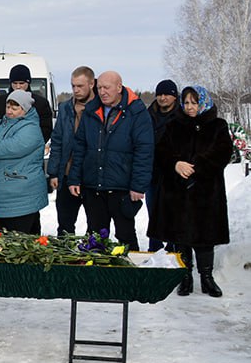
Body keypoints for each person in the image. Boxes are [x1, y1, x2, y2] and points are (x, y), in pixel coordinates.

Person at [148, 85, 231, 297]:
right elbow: (161, 151)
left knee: (205, 238)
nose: (189, 107)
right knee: (180, 236)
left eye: (194, 102)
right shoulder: (174, 125)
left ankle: (207, 278)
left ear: (203, 103)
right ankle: (185, 277)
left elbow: (223, 152)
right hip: (178, 191)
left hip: (206, 192)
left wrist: (198, 167)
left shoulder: (218, 126)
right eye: (186, 103)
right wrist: (176, 164)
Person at [67, 71, 154, 251]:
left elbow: (144, 151)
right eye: (99, 88)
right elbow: (80, 146)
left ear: (119, 87)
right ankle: (97, 268)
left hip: (121, 187)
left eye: (106, 87)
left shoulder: (136, 112)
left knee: (126, 236)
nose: (102, 92)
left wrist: (138, 186)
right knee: (95, 238)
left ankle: (131, 268)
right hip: (94, 186)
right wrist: (74, 178)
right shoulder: (91, 111)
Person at [0, 90, 47, 234]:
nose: (9, 111)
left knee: (20, 242)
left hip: (20, 200)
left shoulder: (31, 128)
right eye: (8, 107)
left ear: (25, 109)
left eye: (15, 108)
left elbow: (12, 147)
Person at [47, 66, 96, 235]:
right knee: (65, 226)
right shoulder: (65, 108)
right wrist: (53, 172)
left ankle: (92, 251)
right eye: (73, 85)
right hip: (67, 174)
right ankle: (64, 251)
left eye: (80, 86)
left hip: (91, 177)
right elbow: (57, 140)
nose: (76, 90)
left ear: (91, 84)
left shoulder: (100, 108)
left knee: (95, 227)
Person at [146, 79, 180, 252]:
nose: (162, 98)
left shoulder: (181, 116)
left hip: (173, 173)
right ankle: (155, 247)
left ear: (174, 96)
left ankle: (173, 248)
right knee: (153, 211)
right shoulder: (148, 114)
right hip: (152, 171)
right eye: (159, 94)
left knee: (172, 212)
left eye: (167, 94)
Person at [0, 63, 54, 143]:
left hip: (30, 146)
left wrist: (32, 144)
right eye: (15, 83)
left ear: (28, 82)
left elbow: (46, 129)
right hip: (2, 146)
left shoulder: (41, 103)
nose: (18, 86)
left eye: (21, 83)